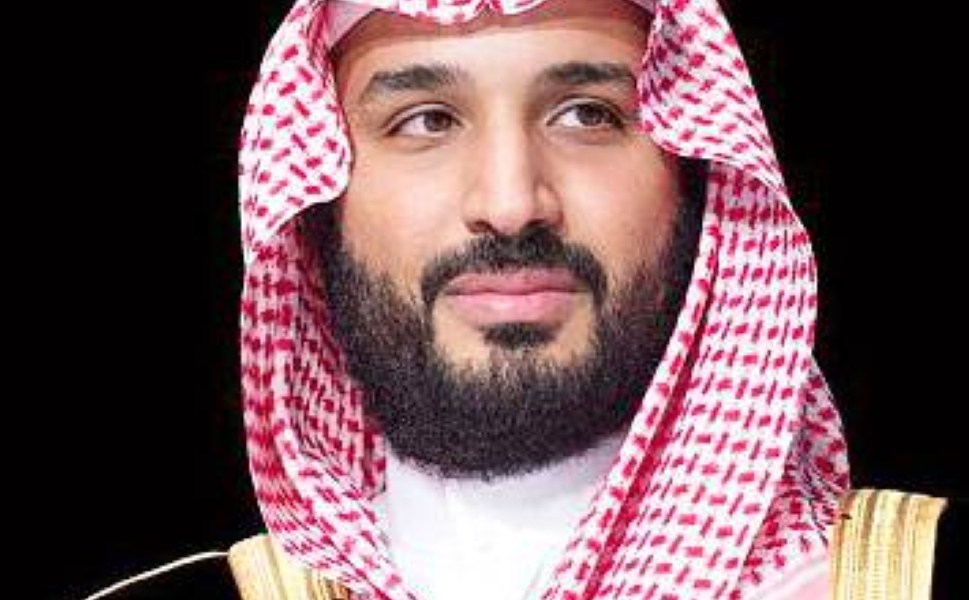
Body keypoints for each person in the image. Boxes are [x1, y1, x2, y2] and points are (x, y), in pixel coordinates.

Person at [228, 0, 859, 598]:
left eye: (586, 115)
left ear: (696, 180)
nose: (511, 205)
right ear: (317, 206)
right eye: (427, 121)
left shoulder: (893, 579)